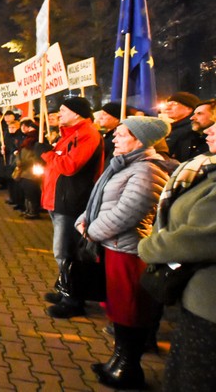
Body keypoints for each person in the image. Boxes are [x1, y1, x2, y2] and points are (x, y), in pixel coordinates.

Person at [75, 117, 175, 389]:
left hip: (128, 251)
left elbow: (126, 214)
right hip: (112, 246)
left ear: (139, 141)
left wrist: (91, 231)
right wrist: (83, 220)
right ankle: (117, 360)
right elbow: (100, 199)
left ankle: (129, 367)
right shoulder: (123, 165)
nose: (114, 139)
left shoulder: (147, 171)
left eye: (121, 135)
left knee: (130, 310)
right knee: (119, 309)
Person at [138, 122, 216, 392]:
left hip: (209, 309)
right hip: (196, 301)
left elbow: (196, 238)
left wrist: (148, 246)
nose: (209, 131)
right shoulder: (206, 169)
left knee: (193, 379)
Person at [41, 96, 105, 318]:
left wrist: (47, 153)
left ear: (77, 113)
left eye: (63, 110)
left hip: (71, 202)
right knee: (64, 251)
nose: (59, 114)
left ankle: (74, 300)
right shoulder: (71, 134)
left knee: (66, 252)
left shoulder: (87, 134)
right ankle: (65, 288)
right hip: (59, 199)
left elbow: (69, 165)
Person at [13, 119, 43, 219]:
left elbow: (37, 157)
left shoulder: (38, 141)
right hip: (24, 170)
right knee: (26, 191)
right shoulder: (26, 141)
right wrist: (19, 160)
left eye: (31, 127)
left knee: (31, 192)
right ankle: (28, 210)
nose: (29, 129)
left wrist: (25, 162)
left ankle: (33, 211)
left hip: (31, 171)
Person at [164, 91, 203, 162]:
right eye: (167, 104)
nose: (167, 108)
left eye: (174, 104)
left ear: (189, 109)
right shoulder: (175, 127)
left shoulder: (191, 130)